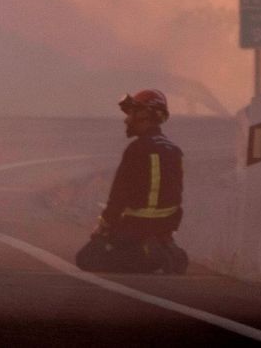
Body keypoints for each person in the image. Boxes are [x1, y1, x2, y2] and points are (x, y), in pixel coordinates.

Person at [75, 89, 190, 275]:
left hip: (133, 226)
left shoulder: (136, 149)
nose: (127, 120)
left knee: (87, 259)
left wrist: (103, 228)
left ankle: (147, 253)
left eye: (131, 114)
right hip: (165, 227)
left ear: (145, 114)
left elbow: (119, 196)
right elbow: (177, 195)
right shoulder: (174, 150)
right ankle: (164, 247)